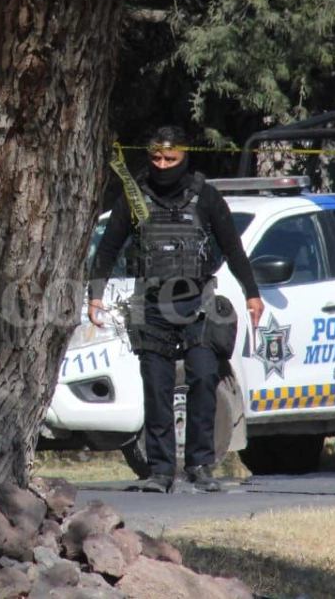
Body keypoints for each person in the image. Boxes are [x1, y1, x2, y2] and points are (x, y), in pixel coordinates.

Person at [88, 125, 264, 493]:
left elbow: (233, 249)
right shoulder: (133, 198)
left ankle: (200, 466)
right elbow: (108, 248)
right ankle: (160, 471)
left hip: (197, 303)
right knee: (156, 386)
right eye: (156, 158)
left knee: (202, 377)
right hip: (150, 304)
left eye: (171, 158)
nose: (163, 165)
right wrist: (96, 294)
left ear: (184, 157)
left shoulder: (206, 197)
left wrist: (252, 293)